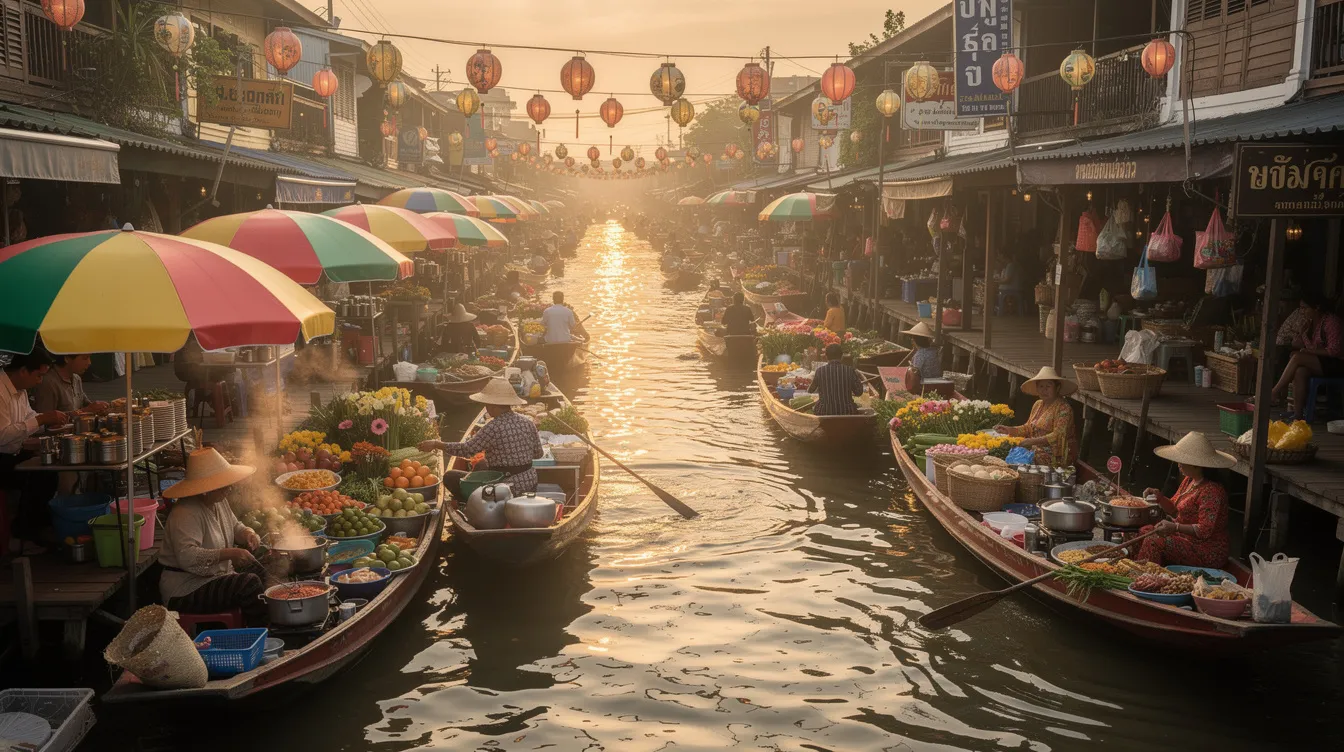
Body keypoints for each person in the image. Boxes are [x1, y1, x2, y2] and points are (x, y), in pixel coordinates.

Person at [159, 448, 268, 626]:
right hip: (186, 589)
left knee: (260, 568)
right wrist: (229, 554)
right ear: (205, 489)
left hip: (215, 576)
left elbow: (235, 526)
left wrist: (248, 533)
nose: (230, 488)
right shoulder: (185, 512)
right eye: (224, 485)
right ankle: (262, 634)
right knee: (249, 584)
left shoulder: (219, 501)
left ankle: (261, 622)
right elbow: (188, 556)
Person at [420, 378, 544, 494]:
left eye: (487, 405)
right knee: (482, 463)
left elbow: (467, 450)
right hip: (530, 483)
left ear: (492, 405)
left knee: (450, 477)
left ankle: (468, 506)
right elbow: (538, 454)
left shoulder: (493, 427)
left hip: (504, 488)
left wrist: (436, 444)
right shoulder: (528, 422)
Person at [1136, 432, 1235, 568]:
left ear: (1197, 465)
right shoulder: (1189, 480)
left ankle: (1145, 576)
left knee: (1153, 541)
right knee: (1144, 531)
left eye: (1182, 461)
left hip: (1206, 550)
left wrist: (1175, 527)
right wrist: (1159, 497)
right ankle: (1143, 567)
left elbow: (1204, 531)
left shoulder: (1212, 491)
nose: (1178, 465)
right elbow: (1174, 510)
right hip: (1184, 539)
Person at [1, 350, 66, 554]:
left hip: (14, 451)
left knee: (50, 468)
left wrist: (54, 422)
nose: (39, 382)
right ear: (22, 371)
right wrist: (41, 420)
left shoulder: (19, 391)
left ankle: (39, 526)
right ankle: (24, 532)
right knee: (37, 476)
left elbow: (29, 417)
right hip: (2, 456)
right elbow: (2, 435)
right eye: (38, 375)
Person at [1270, 293, 1343, 419]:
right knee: (1300, 371)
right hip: (1323, 363)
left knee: (1298, 357)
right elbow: (1306, 346)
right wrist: (1303, 333)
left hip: (1337, 364)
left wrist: (1308, 352)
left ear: (1317, 307)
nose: (1302, 312)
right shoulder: (1311, 324)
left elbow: (1335, 351)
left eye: (1305, 308)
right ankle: (1298, 414)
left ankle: (1274, 392)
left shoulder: (1332, 322)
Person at [994, 366, 1078, 467]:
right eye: (1041, 386)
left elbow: (1058, 435)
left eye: (1048, 386)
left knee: (1019, 460)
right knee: (1005, 450)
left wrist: (1033, 441)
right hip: (1035, 448)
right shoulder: (1038, 404)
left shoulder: (1064, 408)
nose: (1044, 390)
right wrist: (1009, 430)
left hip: (1057, 455)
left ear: (1057, 388)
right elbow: (1028, 427)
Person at [34, 354, 108, 415]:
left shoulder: (76, 378)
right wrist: (86, 410)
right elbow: (45, 420)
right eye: (85, 358)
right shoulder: (48, 382)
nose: (89, 362)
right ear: (67, 358)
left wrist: (99, 407)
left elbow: (85, 403)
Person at [809, 343, 864, 416]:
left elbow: (810, 390)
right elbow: (859, 392)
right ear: (841, 356)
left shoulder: (820, 371)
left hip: (824, 411)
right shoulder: (850, 370)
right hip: (847, 411)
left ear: (826, 356)